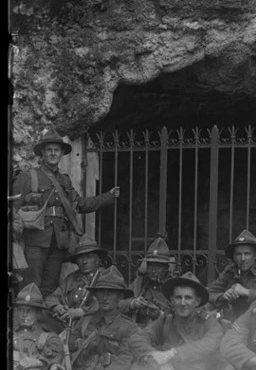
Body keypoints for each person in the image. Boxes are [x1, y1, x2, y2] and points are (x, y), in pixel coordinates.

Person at [11, 130, 120, 297]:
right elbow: (12, 209)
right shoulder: (28, 178)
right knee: (30, 287)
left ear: (62, 153)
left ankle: (44, 322)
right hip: (35, 243)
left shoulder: (65, 181)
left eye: (56, 150)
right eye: (49, 150)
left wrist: (109, 197)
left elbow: (81, 204)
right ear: (42, 153)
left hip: (58, 244)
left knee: (50, 288)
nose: (53, 153)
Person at [119, 271, 223, 370]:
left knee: (195, 364)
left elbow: (212, 342)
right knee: (141, 363)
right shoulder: (166, 319)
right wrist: (154, 355)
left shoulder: (207, 320)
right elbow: (137, 339)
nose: (182, 303)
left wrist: (173, 353)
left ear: (197, 301)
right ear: (172, 300)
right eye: (178, 298)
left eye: (188, 298)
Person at [68, 265, 140, 370]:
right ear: (96, 295)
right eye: (101, 293)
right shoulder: (86, 320)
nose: (105, 297)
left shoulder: (129, 327)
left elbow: (125, 358)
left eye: (111, 293)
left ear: (120, 297)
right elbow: (68, 343)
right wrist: (79, 343)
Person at [12, 283, 66, 370]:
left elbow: (57, 357)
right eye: (21, 310)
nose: (24, 315)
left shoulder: (48, 337)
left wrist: (39, 361)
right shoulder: (12, 334)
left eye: (29, 311)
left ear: (38, 313)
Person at [44, 235, 107, 333]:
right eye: (81, 258)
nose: (84, 262)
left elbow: (107, 304)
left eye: (89, 257)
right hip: (66, 324)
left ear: (97, 260)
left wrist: (79, 312)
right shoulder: (71, 278)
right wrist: (59, 308)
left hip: (92, 325)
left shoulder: (104, 277)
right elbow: (51, 298)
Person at [206, 229, 256, 322]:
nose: (242, 259)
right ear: (233, 256)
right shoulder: (230, 271)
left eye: (247, 254)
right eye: (238, 254)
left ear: (255, 255)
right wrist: (223, 296)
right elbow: (209, 292)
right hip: (233, 325)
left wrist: (247, 292)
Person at [119, 235, 174, 327]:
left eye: (158, 267)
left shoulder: (173, 287)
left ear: (166, 268)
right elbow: (117, 305)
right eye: (150, 266)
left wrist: (160, 315)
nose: (153, 271)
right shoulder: (139, 283)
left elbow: (182, 319)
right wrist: (133, 303)